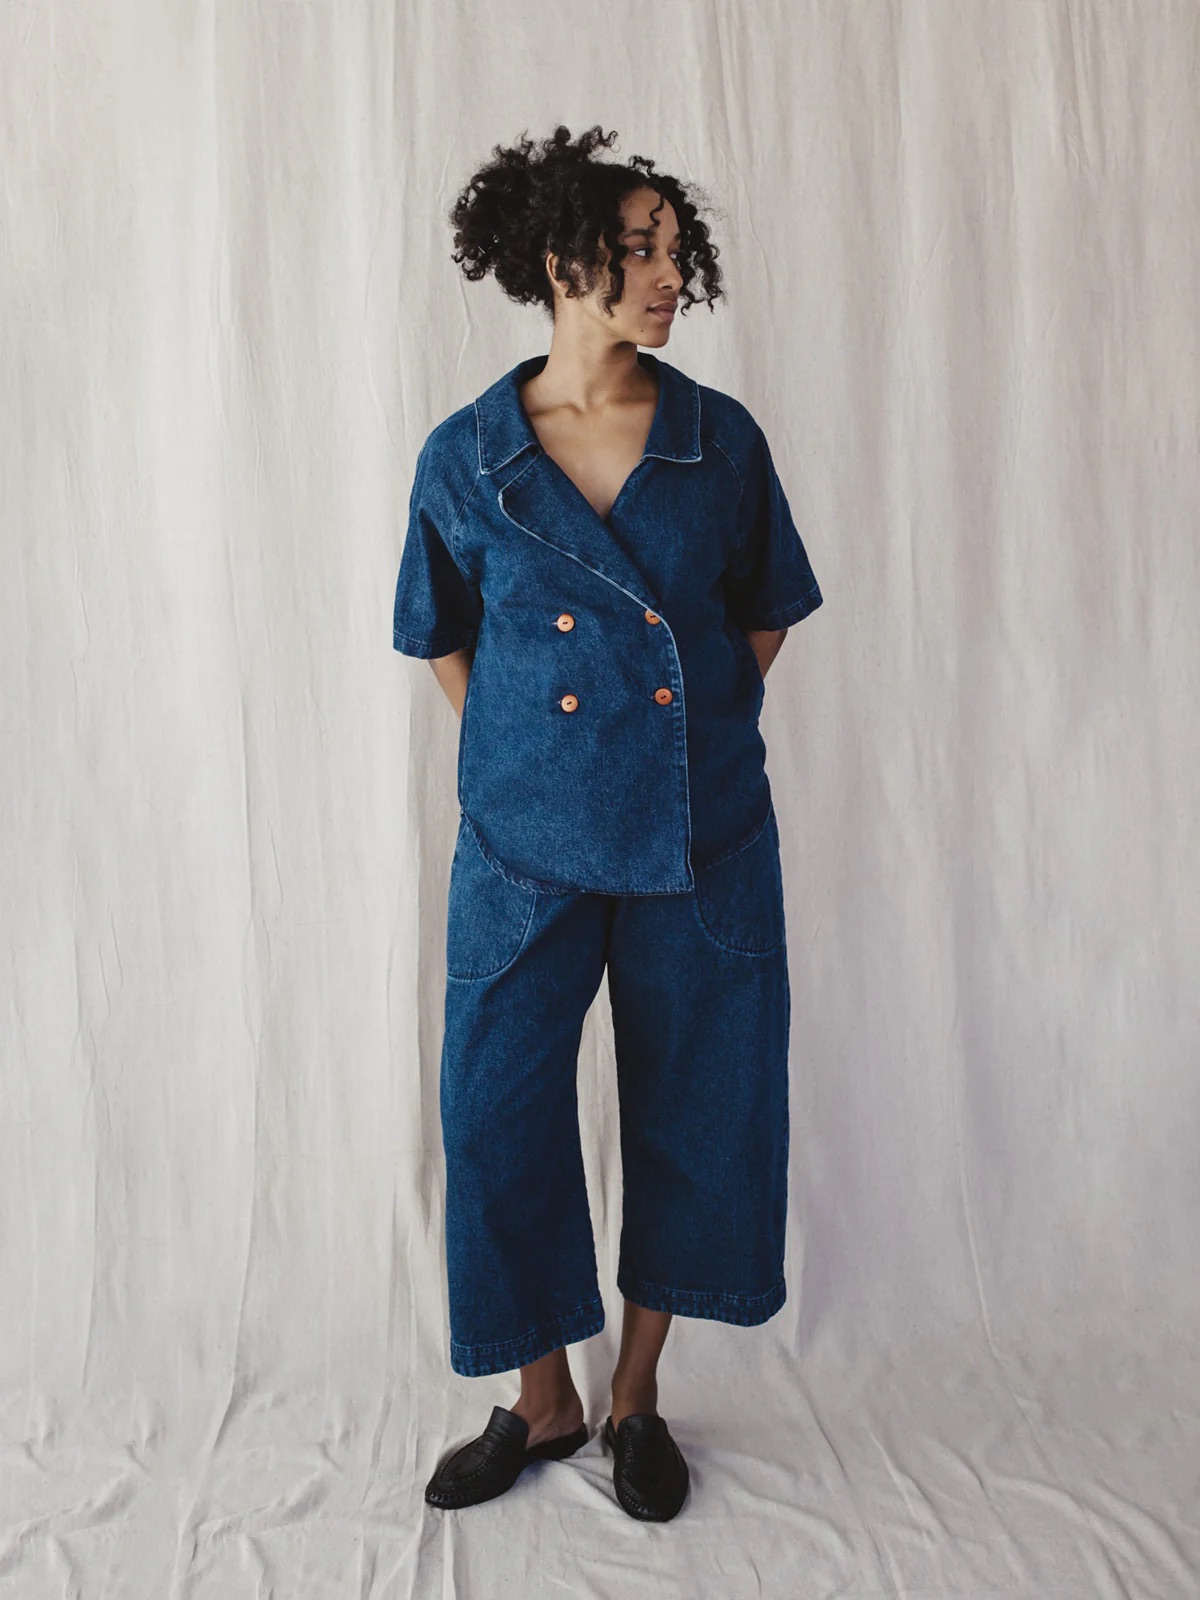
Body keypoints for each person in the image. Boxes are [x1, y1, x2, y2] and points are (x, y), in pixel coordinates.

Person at [392, 125, 824, 1521]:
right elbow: (442, 638)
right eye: (636, 250)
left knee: (703, 1104)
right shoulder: (469, 454)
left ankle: (636, 1393)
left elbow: (760, 617)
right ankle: (541, 1396)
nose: (668, 275)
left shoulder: (716, 439)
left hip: (700, 840)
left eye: (672, 247)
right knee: (494, 1108)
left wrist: (672, 743)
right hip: (521, 844)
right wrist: (532, 755)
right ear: (556, 262)